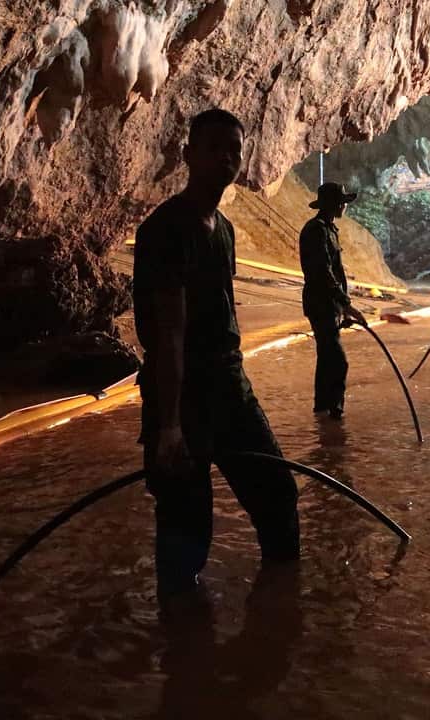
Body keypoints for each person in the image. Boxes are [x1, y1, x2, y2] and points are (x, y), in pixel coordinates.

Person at [133, 108, 300, 603]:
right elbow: (168, 332)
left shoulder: (223, 228)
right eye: (215, 148)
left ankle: (280, 619)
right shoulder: (166, 228)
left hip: (231, 385)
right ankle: (183, 650)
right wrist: (168, 428)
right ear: (188, 156)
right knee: (187, 529)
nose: (228, 158)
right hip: (182, 393)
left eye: (236, 149)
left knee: (277, 496)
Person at [298, 182, 368, 420]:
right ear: (335, 205)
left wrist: (342, 307)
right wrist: (346, 303)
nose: (345, 207)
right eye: (342, 203)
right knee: (338, 361)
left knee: (327, 356)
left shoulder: (328, 229)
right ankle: (335, 413)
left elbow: (333, 272)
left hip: (330, 304)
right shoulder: (316, 230)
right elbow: (323, 272)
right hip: (321, 303)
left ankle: (322, 411)